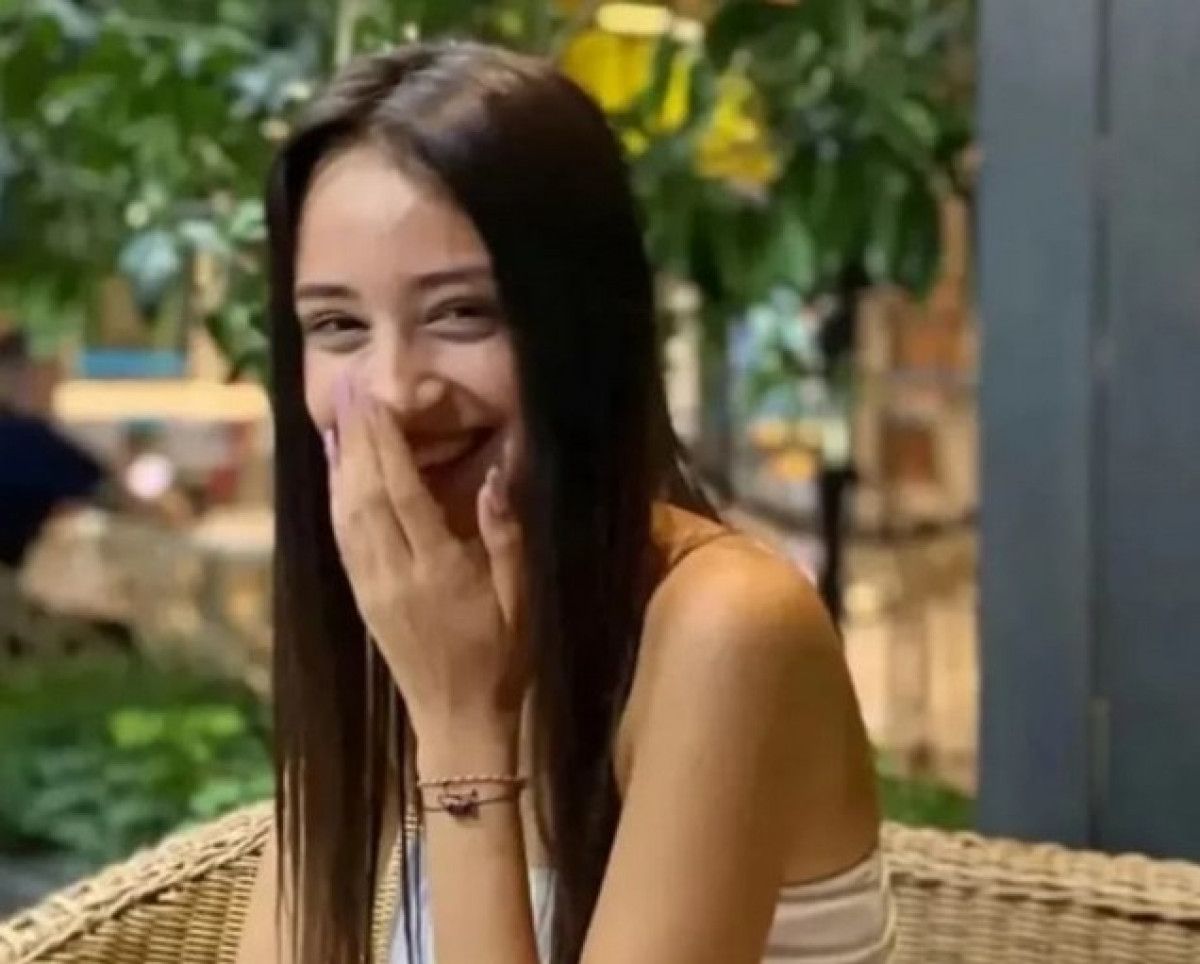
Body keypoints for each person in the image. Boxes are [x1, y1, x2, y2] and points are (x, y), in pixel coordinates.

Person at [238, 42, 891, 964]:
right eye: (337, 325)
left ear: (582, 326)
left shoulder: (728, 626)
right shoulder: (420, 604)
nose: (395, 390)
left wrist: (464, 730)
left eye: (462, 312)